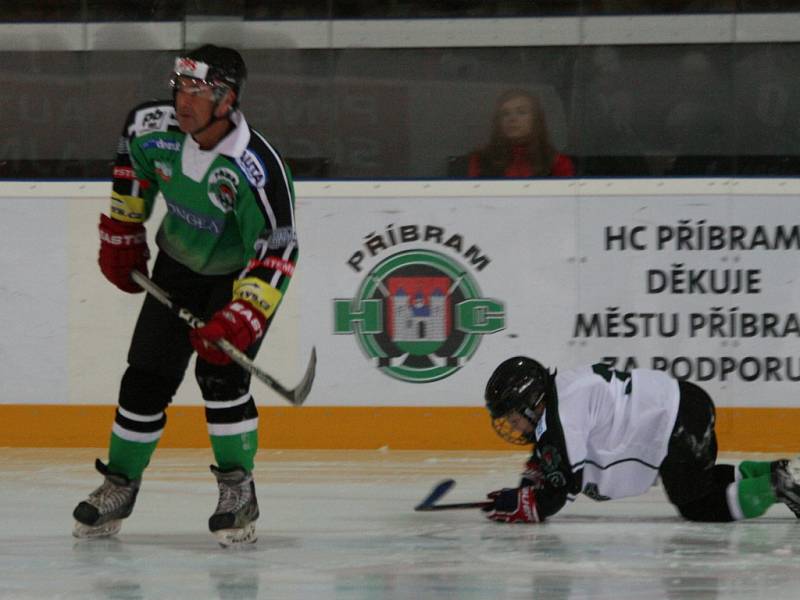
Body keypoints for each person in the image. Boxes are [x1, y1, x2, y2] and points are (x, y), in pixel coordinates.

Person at [72, 44, 298, 547]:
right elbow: (135, 166)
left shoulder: (254, 166)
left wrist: (243, 315)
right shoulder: (150, 127)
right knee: (145, 377)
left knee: (221, 378)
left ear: (227, 98)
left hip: (234, 279)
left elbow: (278, 249)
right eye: (180, 87)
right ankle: (119, 485)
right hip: (176, 267)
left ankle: (239, 492)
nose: (183, 100)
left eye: (198, 90)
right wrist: (123, 231)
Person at [480, 356, 800, 524]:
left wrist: (526, 503)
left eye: (513, 416)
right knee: (699, 482)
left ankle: (778, 484)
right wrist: (531, 480)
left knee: (696, 504)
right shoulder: (562, 390)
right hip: (683, 405)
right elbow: (552, 457)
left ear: (531, 401)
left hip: (673, 425)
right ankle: (779, 471)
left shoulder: (558, 419)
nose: (513, 426)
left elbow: (561, 489)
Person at [467, 89, 575, 178]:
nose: (512, 118)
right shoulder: (481, 160)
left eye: (521, 112)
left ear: (536, 119)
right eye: (505, 114)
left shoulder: (557, 162)